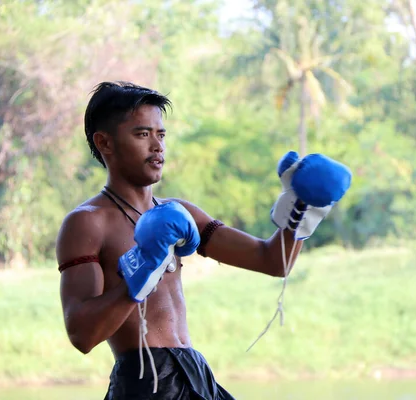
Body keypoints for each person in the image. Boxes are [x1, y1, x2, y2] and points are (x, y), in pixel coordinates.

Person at [55, 81, 351, 400]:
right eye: (142, 134)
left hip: (195, 373)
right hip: (145, 382)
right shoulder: (87, 222)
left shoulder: (181, 213)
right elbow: (81, 334)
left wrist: (300, 208)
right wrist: (139, 277)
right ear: (105, 143)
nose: (157, 146)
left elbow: (273, 261)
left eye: (161, 134)